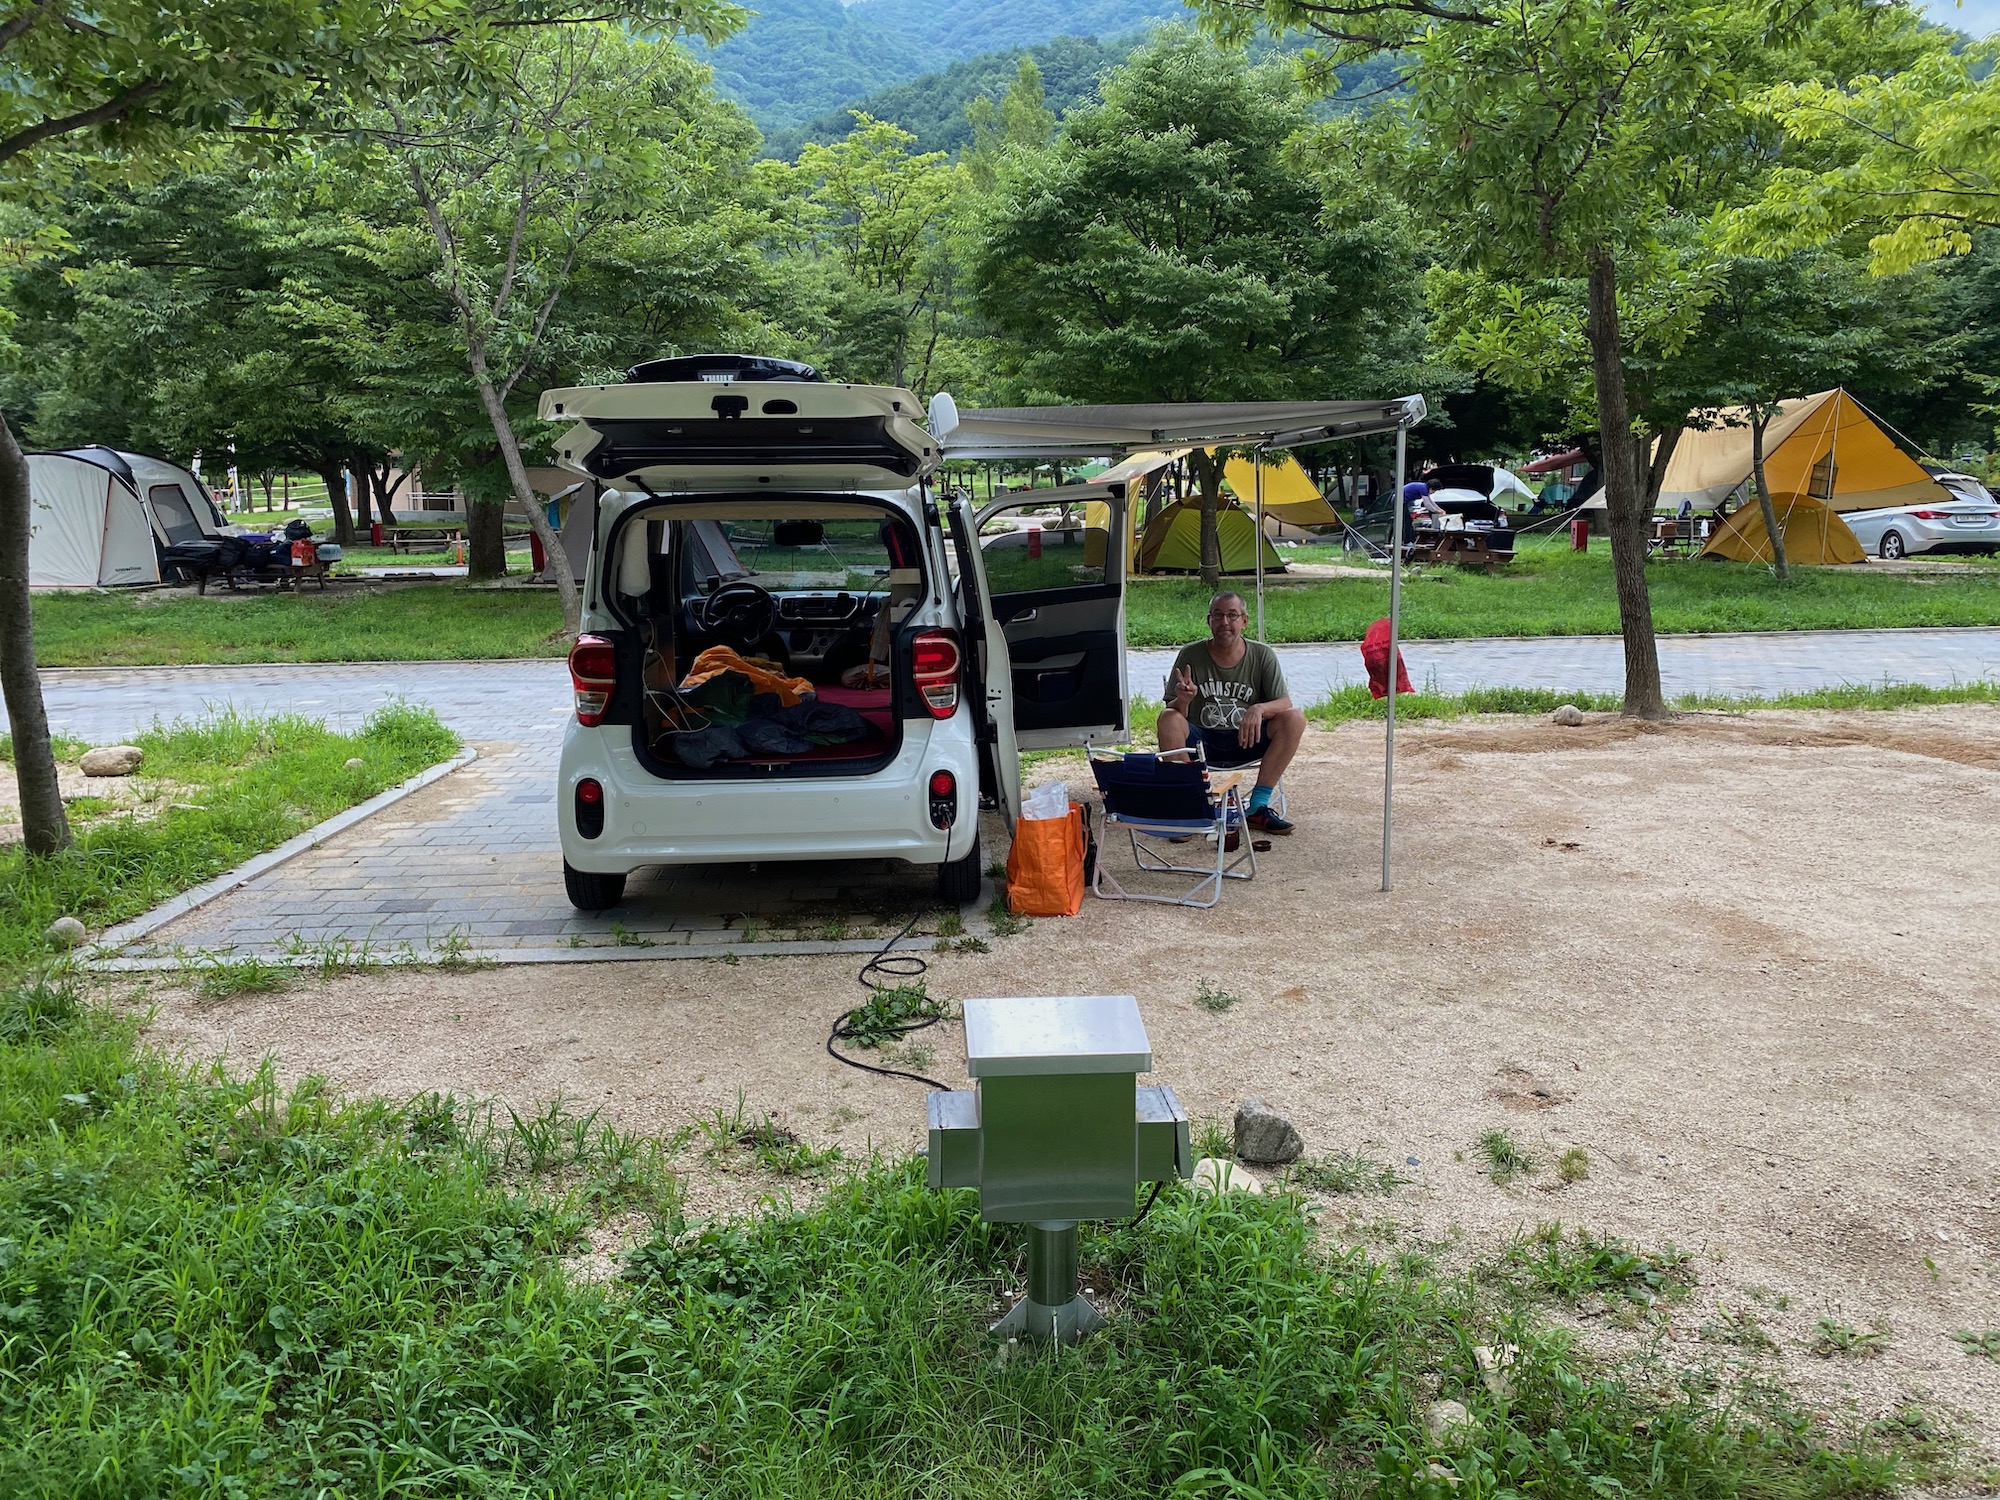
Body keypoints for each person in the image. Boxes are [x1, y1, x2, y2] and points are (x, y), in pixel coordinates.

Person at [1157, 591, 1305, 835]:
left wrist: (1259, 708)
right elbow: (1173, 710)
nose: (1224, 622)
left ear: (1244, 621)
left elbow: (1284, 701)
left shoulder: (1262, 654)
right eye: (1218, 615)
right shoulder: (1191, 654)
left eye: (1232, 615)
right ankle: (1190, 808)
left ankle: (1258, 805)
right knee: (1168, 718)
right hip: (1201, 741)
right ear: (1209, 620)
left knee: (1295, 718)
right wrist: (1183, 699)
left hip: (1247, 738)